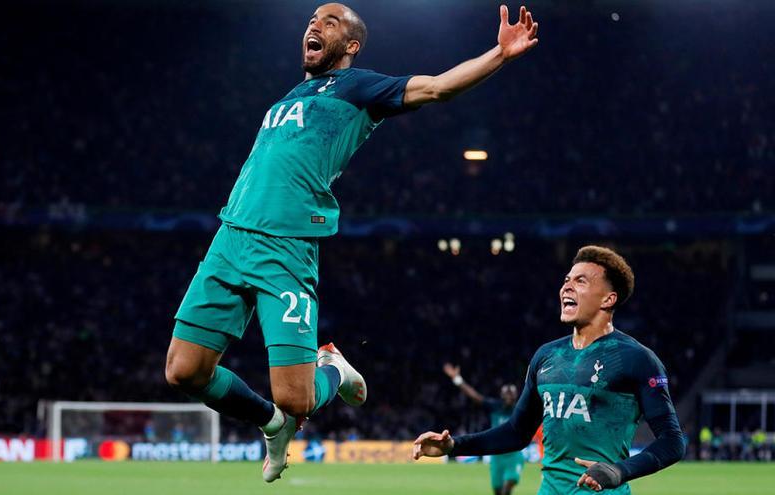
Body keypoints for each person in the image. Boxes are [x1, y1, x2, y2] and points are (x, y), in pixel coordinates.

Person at [164, 2, 540, 483]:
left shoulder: (359, 87)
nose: (314, 26)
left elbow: (437, 87)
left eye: (330, 22)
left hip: (286, 248)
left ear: (351, 45)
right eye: (311, 20)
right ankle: (272, 426)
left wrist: (499, 55)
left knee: (296, 397)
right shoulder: (287, 97)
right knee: (183, 369)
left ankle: (334, 372)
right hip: (229, 238)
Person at [414, 246, 686, 493]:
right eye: (567, 280)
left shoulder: (637, 359)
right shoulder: (546, 356)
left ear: (608, 299)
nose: (566, 287)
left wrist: (619, 470)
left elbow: (673, 441)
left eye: (581, 281)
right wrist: (454, 446)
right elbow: (517, 432)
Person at [444, 362, 524, 495]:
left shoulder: (520, 409)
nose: (509, 396)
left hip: (514, 455)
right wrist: (457, 380)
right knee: (497, 491)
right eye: (507, 394)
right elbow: (475, 397)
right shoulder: (495, 406)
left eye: (512, 394)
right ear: (502, 396)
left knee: (507, 488)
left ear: (516, 396)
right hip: (496, 456)